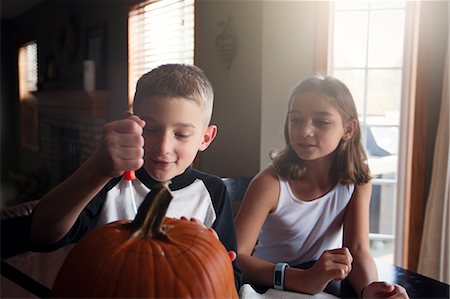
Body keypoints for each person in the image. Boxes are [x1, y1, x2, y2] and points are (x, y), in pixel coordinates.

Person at [31, 63, 242, 290]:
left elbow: (233, 279)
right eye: (150, 129)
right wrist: (97, 169)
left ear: (205, 138)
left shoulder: (213, 191)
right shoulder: (109, 180)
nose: (163, 148)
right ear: (131, 124)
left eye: (181, 134)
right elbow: (43, 234)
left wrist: (213, 256)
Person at [234, 75, 409, 298]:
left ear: (348, 129)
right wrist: (301, 279)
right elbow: (235, 256)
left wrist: (369, 289)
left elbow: (357, 249)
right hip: (267, 285)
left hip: (321, 283)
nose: (304, 131)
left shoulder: (357, 180)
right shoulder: (270, 183)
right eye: (296, 119)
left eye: (321, 122)